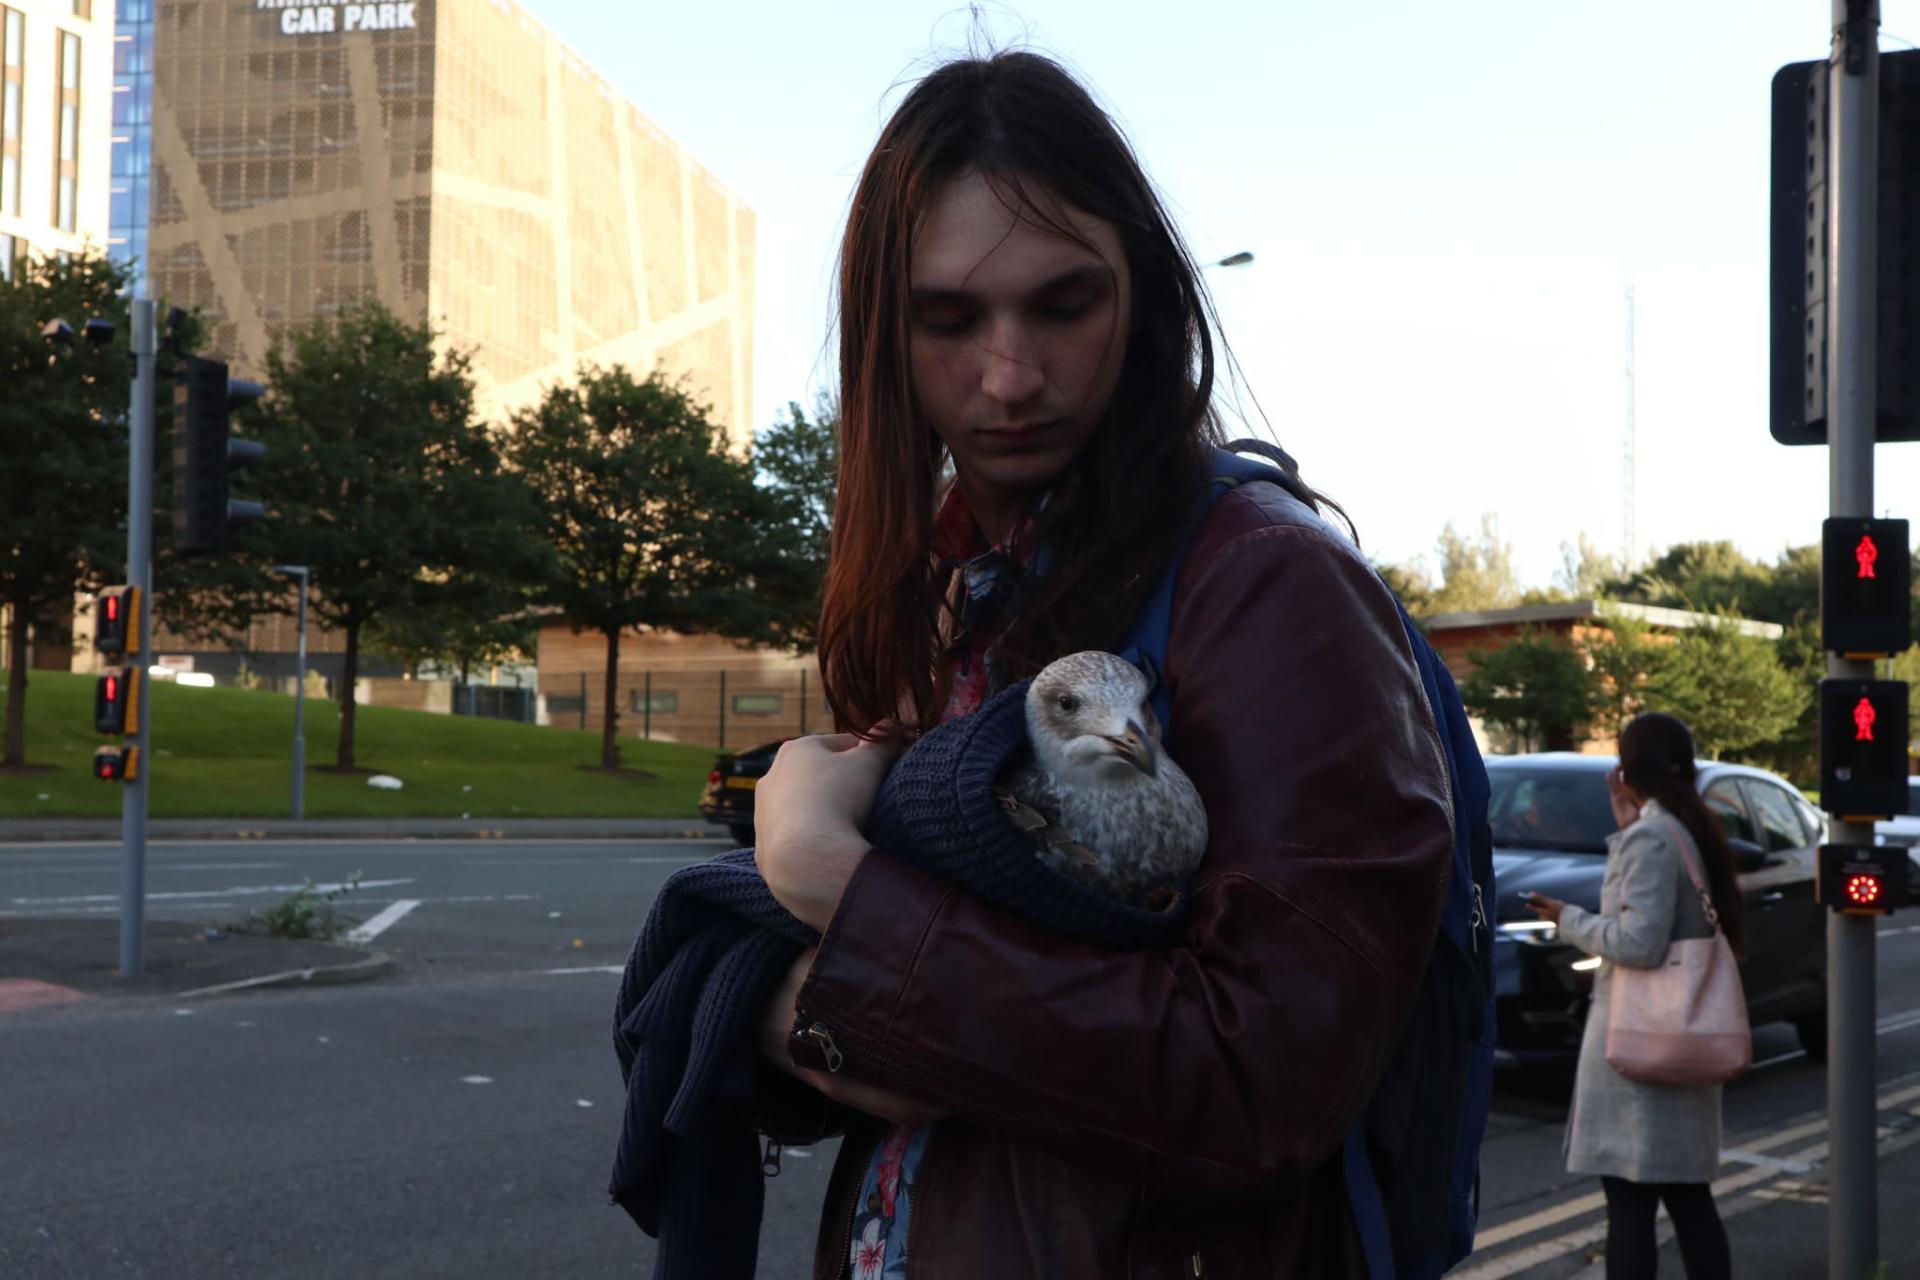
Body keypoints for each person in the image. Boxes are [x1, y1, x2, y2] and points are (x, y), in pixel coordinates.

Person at [749, 49, 1456, 1279]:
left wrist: (835, 886)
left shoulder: (1271, 591)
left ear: (1144, 300)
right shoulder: (962, 592)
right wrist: (778, 1008)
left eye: (1064, 305)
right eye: (950, 319)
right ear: (882, 333)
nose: (1010, 375)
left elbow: (1261, 1086)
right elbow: (918, 1065)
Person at [1524, 712, 1744, 1280]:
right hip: (1675, 1036)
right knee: (1687, 1199)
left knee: (1629, 1202)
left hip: (1641, 1047)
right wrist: (1626, 821)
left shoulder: (1652, 836)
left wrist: (1567, 918)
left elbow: (1638, 942)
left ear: (1627, 768)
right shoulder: (1681, 826)